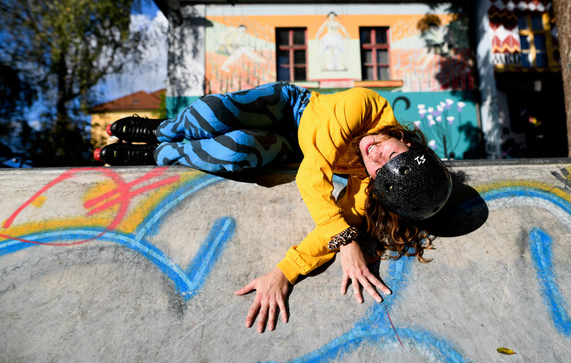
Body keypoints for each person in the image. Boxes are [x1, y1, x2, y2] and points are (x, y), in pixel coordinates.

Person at [95, 82, 452, 333]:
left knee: (235, 150)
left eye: (378, 168)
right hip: (291, 108)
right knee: (214, 112)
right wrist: (347, 242)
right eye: (389, 152)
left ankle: (158, 153)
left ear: (376, 183)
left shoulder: (366, 185)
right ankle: (164, 130)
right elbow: (311, 180)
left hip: (290, 148)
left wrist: (283, 272)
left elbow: (328, 229)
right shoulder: (365, 106)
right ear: (405, 140)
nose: (374, 153)